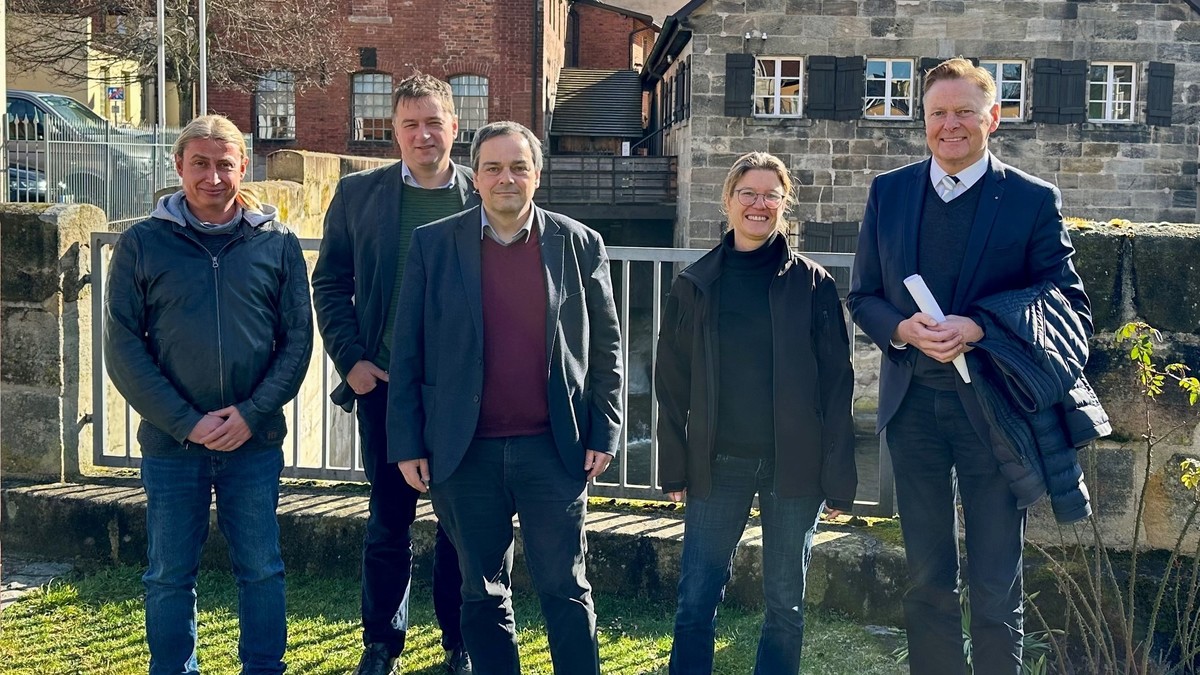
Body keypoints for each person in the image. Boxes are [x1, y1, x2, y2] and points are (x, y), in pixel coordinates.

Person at [847, 58, 1092, 675]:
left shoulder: (1033, 200)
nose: (949, 125)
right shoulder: (890, 191)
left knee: (993, 578)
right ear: (923, 121)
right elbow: (864, 296)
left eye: (963, 112)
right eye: (937, 113)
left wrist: (980, 324)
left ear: (994, 118)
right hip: (913, 412)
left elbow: (1066, 299)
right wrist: (901, 329)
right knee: (926, 576)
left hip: (995, 411)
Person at [387, 120, 623, 675]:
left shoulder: (580, 242)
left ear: (536, 175)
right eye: (493, 167)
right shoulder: (434, 243)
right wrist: (407, 441)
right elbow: (409, 349)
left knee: (565, 585)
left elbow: (609, 346)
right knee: (482, 591)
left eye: (519, 166)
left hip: (553, 447)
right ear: (477, 175)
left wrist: (605, 428)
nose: (506, 178)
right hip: (464, 452)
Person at [104, 114, 313, 675]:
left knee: (262, 569)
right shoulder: (142, 243)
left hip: (255, 441)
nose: (213, 177)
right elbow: (124, 346)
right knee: (169, 574)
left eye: (225, 164)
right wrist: (185, 422)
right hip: (174, 447)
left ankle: (263, 668)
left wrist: (251, 414)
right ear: (178, 167)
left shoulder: (277, 242)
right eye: (200, 163)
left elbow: (296, 342)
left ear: (245, 167)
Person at [654, 151, 857, 675]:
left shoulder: (813, 285)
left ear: (784, 204)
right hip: (718, 464)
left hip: (794, 468)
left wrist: (838, 476)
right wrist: (674, 464)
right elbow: (671, 384)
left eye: (771, 195)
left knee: (785, 605)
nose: (759, 204)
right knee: (696, 601)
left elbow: (838, 385)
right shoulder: (694, 284)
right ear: (728, 201)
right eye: (748, 193)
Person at [311, 73, 476, 675]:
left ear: (455, 127)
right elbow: (330, 282)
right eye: (410, 124)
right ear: (394, 132)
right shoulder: (360, 194)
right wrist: (350, 359)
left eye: (434, 122)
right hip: (384, 387)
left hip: (463, 393)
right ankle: (381, 642)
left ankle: (460, 642)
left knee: (462, 523)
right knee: (388, 523)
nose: (423, 134)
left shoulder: (482, 195)